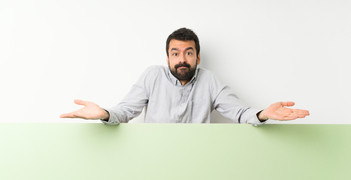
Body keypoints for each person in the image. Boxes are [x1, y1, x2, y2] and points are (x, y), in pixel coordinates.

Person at [60, 28, 309, 125]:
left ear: (197, 57)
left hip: (198, 163)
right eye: (175, 53)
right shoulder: (151, 76)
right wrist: (104, 113)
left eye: (188, 53)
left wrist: (264, 114)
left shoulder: (210, 81)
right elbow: (125, 111)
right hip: (154, 162)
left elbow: (240, 113)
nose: (182, 59)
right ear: (167, 57)